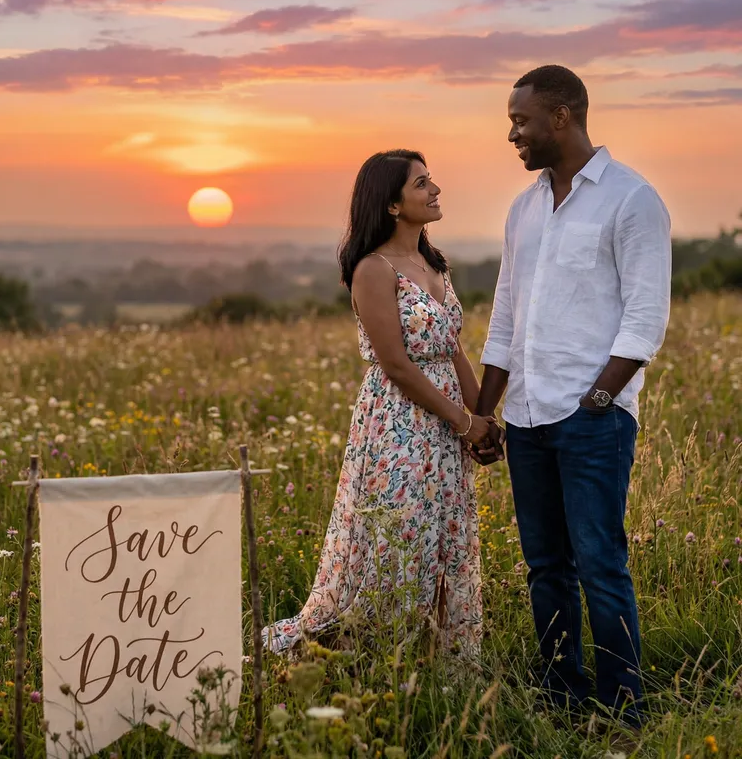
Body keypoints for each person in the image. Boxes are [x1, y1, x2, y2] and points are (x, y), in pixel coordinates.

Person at [475, 65, 671, 725]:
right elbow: (505, 314)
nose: (513, 134)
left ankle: (624, 706)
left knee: (599, 563)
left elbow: (645, 318)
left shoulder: (630, 198)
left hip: (594, 419)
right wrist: (484, 411)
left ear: (561, 117)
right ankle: (561, 694)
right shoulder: (523, 208)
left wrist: (598, 400)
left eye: (520, 120)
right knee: (545, 567)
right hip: (526, 416)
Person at [263, 150, 492, 656]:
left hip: (448, 425)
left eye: (431, 180)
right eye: (421, 184)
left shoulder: (433, 263)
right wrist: (462, 422)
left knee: (442, 540)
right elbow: (396, 364)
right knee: (397, 543)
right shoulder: (373, 269)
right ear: (391, 205)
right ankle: (358, 656)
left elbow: (453, 349)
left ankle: (437, 664)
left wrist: (484, 420)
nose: (435, 190)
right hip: (400, 425)